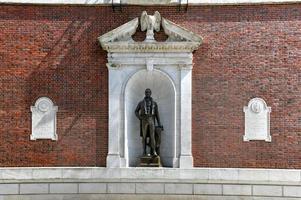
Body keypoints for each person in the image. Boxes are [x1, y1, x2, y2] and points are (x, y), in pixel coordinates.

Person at [135, 88, 162, 157]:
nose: (147, 93)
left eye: (148, 92)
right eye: (146, 92)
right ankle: (144, 151)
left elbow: (157, 114)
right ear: (145, 93)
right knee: (144, 137)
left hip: (151, 119)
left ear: (150, 93)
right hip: (144, 120)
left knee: (152, 136)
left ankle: (153, 151)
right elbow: (136, 111)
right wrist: (140, 118)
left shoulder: (154, 103)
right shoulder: (141, 103)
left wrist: (159, 123)